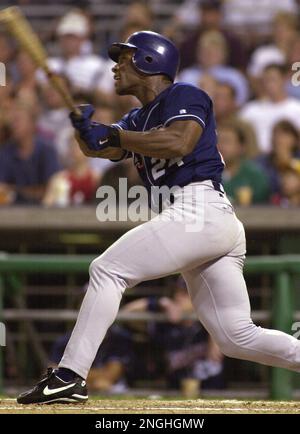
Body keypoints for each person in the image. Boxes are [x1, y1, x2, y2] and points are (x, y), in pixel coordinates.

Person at [17, 31, 300, 405]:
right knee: (235, 337)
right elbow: (101, 148)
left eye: (124, 59)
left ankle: (70, 375)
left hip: (200, 210)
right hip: (202, 220)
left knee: (107, 270)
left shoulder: (185, 95)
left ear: (148, 61)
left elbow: (178, 141)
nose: (116, 67)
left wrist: (115, 135)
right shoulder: (136, 118)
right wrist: (87, 131)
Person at [240, 64, 300, 153]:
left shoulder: (296, 108)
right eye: (265, 80)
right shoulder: (250, 109)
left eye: (273, 79)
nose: (269, 84)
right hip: (255, 157)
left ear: (284, 79)